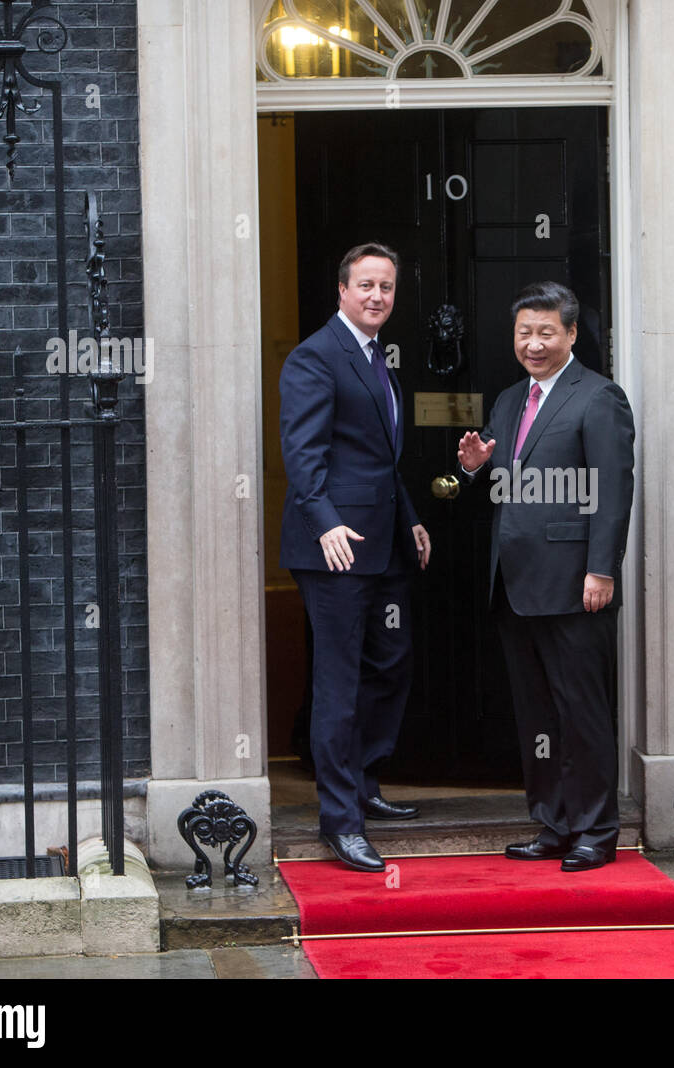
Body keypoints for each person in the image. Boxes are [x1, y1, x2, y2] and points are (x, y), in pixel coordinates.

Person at [456, 281, 635, 872]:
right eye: (523, 333)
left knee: (580, 711)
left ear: (572, 334)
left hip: (574, 585)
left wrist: (601, 569)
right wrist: (479, 470)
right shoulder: (509, 401)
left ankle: (595, 831)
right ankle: (554, 823)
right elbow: (517, 488)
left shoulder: (599, 397)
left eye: (545, 333)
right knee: (538, 715)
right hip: (515, 585)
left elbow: (611, 492)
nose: (533, 344)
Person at [279, 242, 432, 874]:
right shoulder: (315, 357)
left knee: (390, 665)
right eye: (366, 285)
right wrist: (325, 524)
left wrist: (413, 519)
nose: (377, 297)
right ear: (342, 290)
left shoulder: (378, 362)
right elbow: (303, 453)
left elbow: (379, 461)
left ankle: (365, 780)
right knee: (338, 684)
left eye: (387, 288)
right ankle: (341, 821)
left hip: (385, 542)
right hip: (335, 549)